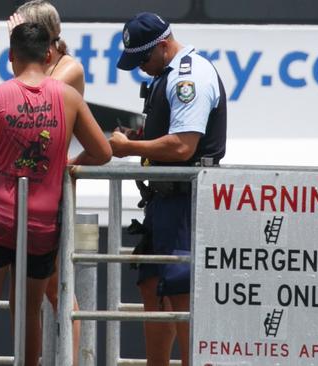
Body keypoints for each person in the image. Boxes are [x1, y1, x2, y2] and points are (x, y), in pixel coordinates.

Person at [0, 23, 111, 366]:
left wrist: (0, 176)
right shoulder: (69, 98)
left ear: (10, 57)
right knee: (29, 309)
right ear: (49, 55)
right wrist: (65, 166)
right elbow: (103, 151)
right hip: (41, 221)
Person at [109, 12, 227, 366]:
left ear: (163, 46)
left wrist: (130, 148)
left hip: (184, 202)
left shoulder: (188, 77)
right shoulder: (169, 74)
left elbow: (183, 147)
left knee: (181, 295)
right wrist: (142, 139)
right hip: (164, 202)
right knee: (153, 286)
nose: (140, 67)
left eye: (143, 58)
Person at [8, 1, 84, 361]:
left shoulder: (68, 69)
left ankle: (65, 358)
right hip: (26, 188)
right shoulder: (46, 65)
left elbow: (33, 94)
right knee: (23, 290)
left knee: (56, 288)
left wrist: (17, 43)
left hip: (50, 193)